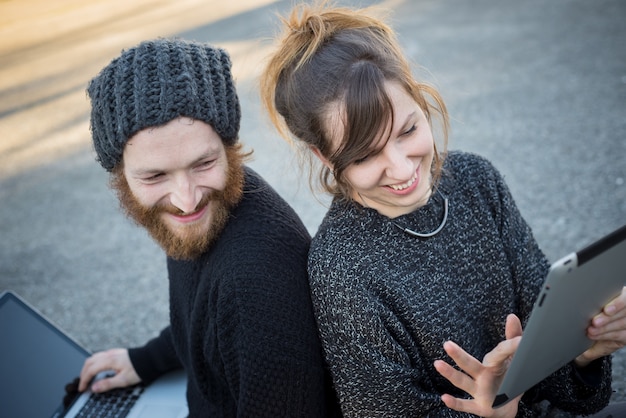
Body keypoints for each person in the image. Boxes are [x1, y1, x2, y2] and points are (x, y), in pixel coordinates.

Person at [259, 3, 626, 417]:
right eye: (364, 156)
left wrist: (583, 351)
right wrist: (491, 413)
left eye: (408, 130)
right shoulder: (341, 268)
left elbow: (545, 342)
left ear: (418, 97)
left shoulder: (475, 180)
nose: (401, 169)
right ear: (325, 157)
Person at [76, 37, 341, 417]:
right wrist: (145, 360)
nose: (186, 199)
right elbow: (204, 324)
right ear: (121, 176)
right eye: (155, 176)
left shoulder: (257, 285)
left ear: (228, 147)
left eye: (203, 164)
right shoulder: (210, 209)